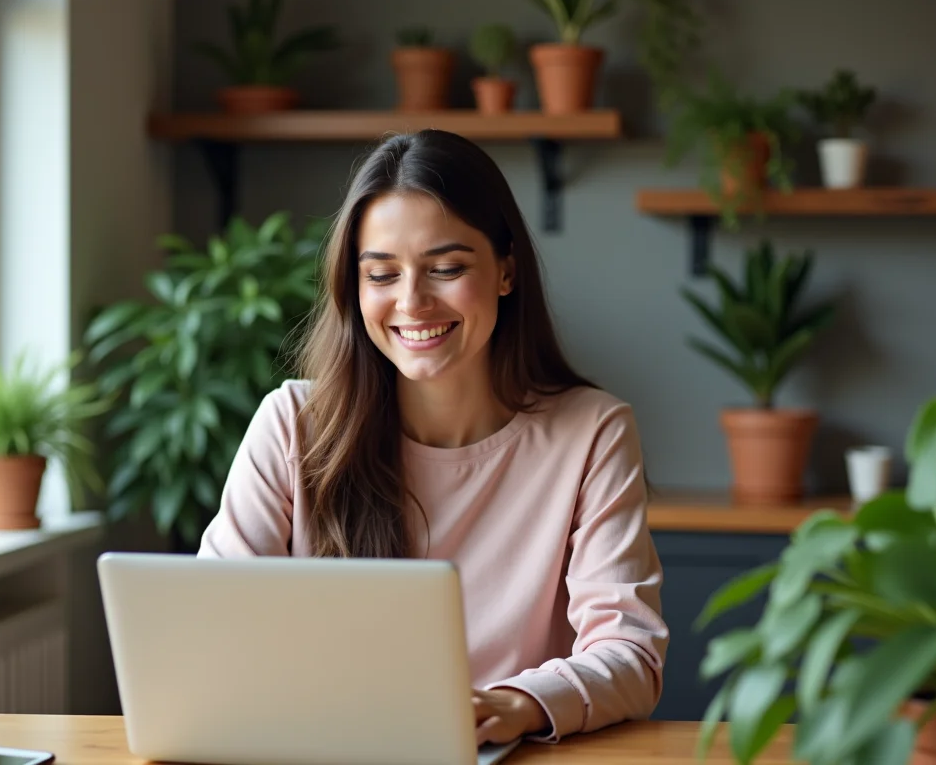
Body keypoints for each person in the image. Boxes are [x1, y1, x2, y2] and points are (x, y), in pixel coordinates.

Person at [198, 128, 668, 746]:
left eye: (446, 269)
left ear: (506, 271)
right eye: (382, 275)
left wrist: (517, 703)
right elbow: (214, 631)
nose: (412, 302)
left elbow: (630, 653)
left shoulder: (592, 432)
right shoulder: (293, 424)